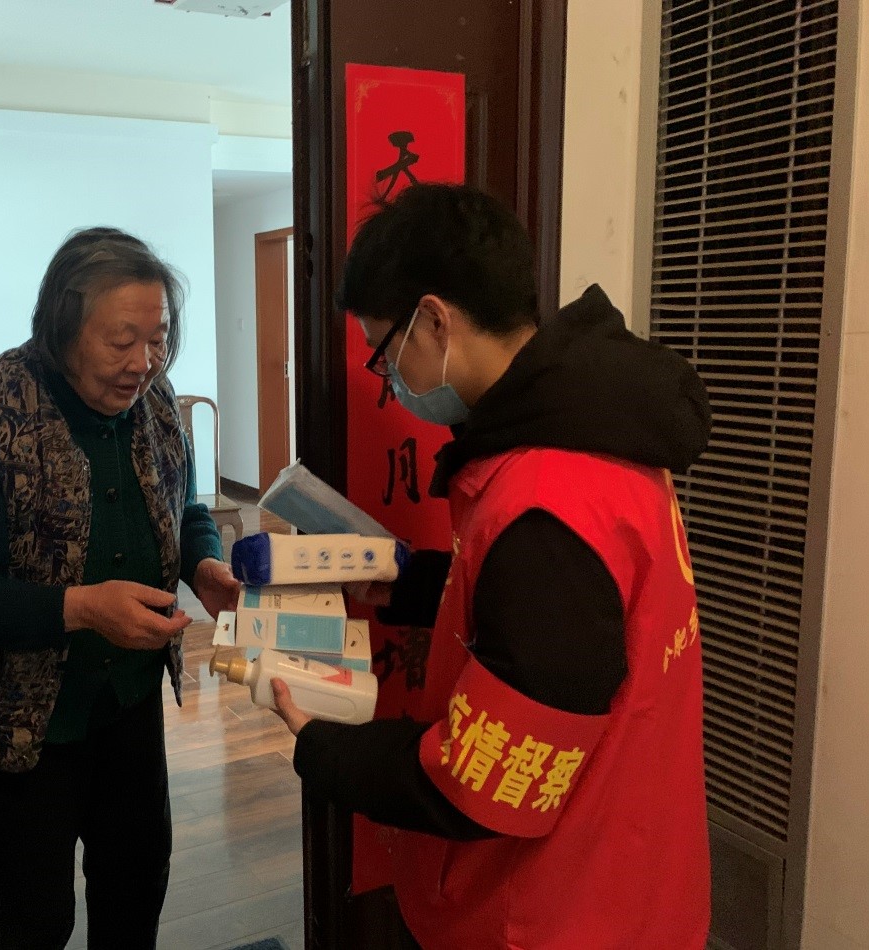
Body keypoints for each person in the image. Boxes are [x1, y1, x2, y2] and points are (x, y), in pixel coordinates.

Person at [270, 183, 713, 948]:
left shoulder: (547, 499)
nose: (389, 379)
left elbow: (486, 784)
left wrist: (322, 745)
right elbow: (556, 625)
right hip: (633, 865)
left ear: (434, 320)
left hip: (553, 912)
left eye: (383, 351)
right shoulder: (601, 433)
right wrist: (411, 586)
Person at [0, 227, 240, 950]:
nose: (143, 363)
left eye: (157, 339)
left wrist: (203, 566)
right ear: (61, 326)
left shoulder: (154, 399)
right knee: (31, 915)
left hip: (127, 701)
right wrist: (81, 608)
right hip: (20, 722)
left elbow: (182, 506)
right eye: (122, 341)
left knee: (135, 881)